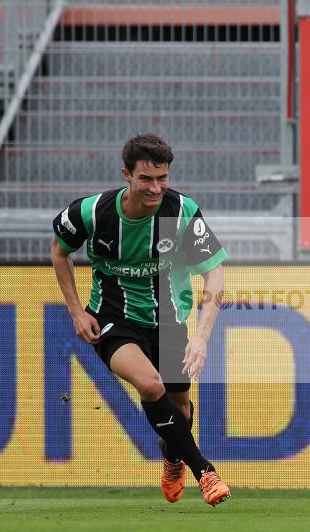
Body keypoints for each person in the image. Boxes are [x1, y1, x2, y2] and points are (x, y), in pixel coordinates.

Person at [50, 133, 231, 506]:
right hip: (113, 319)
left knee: (180, 410)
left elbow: (214, 273)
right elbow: (59, 251)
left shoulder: (181, 211)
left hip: (169, 321)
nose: (155, 188)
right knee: (150, 384)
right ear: (126, 175)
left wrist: (201, 338)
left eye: (162, 178)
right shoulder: (91, 212)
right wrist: (76, 311)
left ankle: (172, 458)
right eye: (146, 178)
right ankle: (205, 472)